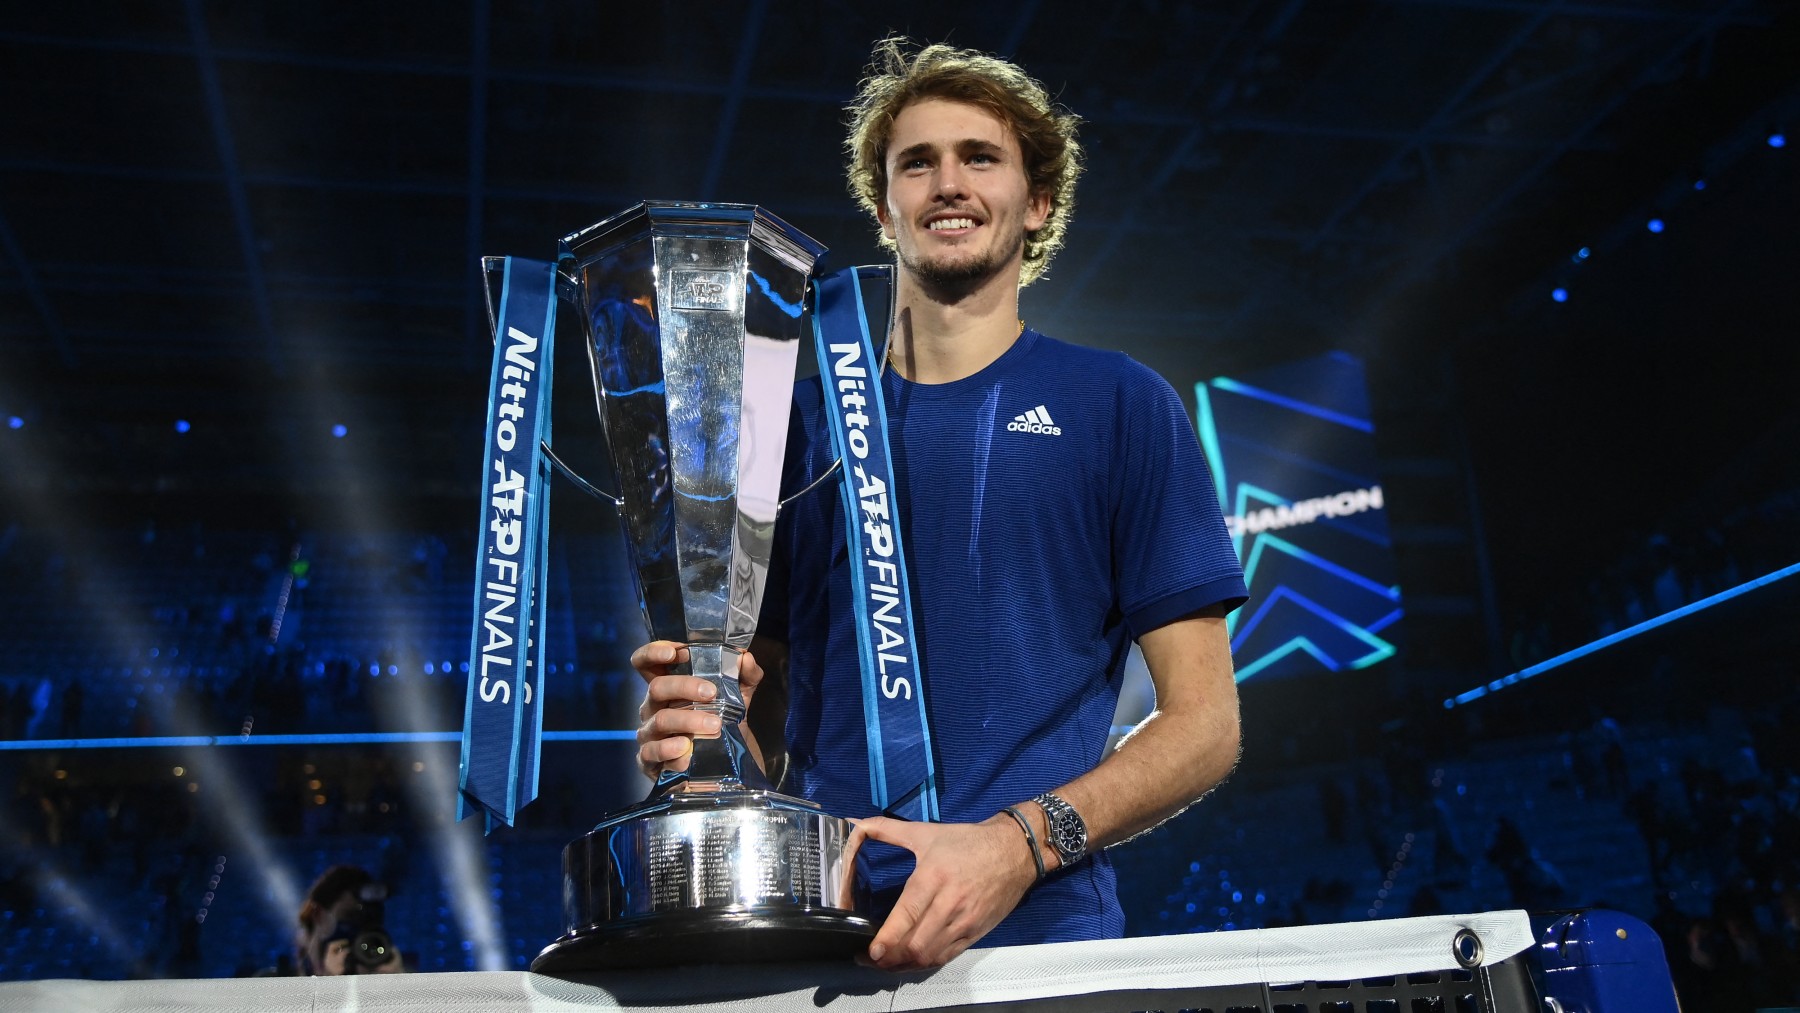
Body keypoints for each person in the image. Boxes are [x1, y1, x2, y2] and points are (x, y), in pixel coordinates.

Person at [633, 38, 1246, 971]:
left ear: (1038, 202)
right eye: (917, 162)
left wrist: (1016, 845)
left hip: (1041, 943)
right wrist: (709, 739)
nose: (947, 182)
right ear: (885, 207)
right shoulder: (789, 425)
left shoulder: (1122, 406)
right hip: (817, 938)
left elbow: (1206, 726)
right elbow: (762, 701)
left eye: (980, 157)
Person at [294, 864, 404, 975]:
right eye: (350, 916)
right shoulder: (283, 979)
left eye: (371, 918)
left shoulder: (372, 967)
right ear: (318, 915)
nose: (360, 926)